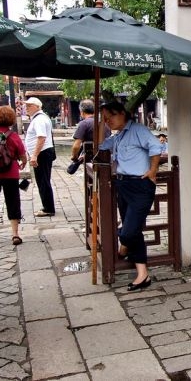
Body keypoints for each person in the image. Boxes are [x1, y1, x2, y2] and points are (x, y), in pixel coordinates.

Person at [97, 102, 161, 291]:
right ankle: (143, 274)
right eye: (106, 119)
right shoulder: (118, 136)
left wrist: (153, 171)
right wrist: (101, 123)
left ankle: (123, 245)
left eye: (110, 117)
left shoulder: (138, 130)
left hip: (140, 186)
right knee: (133, 230)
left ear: (123, 114)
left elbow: (156, 147)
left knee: (128, 232)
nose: (108, 121)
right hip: (123, 185)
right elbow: (101, 146)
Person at [0, 106, 28, 245]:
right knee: (13, 201)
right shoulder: (13, 136)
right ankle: (15, 234)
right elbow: (22, 154)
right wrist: (23, 163)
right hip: (10, 173)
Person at [24, 97, 56, 217]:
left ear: (37, 107)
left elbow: (41, 137)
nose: (26, 108)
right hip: (42, 153)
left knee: (43, 181)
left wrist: (34, 155)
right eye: (26, 106)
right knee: (42, 180)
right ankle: (47, 206)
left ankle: (48, 208)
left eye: (29, 105)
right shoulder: (38, 118)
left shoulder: (39, 120)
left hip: (42, 153)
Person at [70, 99, 110, 165]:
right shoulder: (104, 124)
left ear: (82, 112)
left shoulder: (84, 124)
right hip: (107, 158)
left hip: (92, 160)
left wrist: (74, 157)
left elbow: (76, 146)